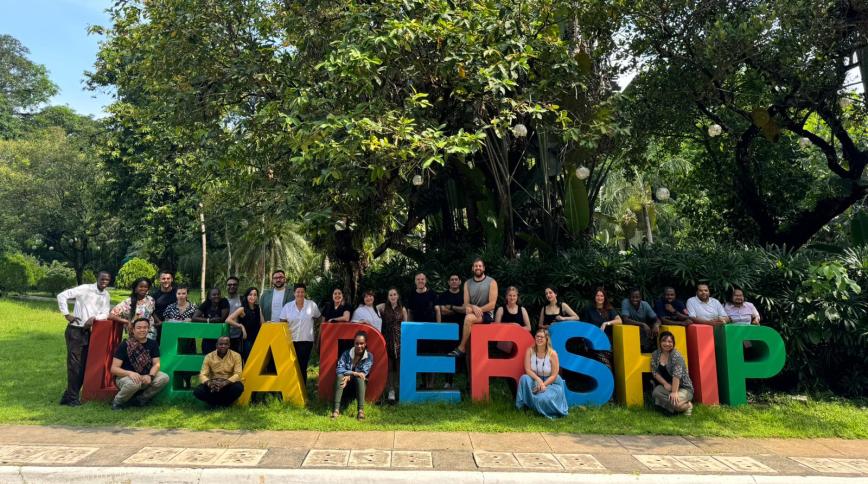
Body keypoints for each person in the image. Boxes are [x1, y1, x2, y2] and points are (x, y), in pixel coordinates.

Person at [55, 271, 112, 406]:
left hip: (89, 332)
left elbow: (105, 313)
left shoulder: (106, 295)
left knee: (84, 365)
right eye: (102, 279)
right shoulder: (85, 289)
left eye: (107, 280)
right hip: (75, 331)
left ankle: (68, 395)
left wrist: (94, 318)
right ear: (97, 278)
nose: (104, 281)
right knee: (75, 365)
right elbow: (61, 296)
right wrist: (67, 314)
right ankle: (73, 398)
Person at [110, 318, 169, 410]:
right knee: (134, 384)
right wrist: (130, 373)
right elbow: (114, 369)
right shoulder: (125, 345)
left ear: (148, 329)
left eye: (145, 327)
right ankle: (117, 402)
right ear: (133, 330)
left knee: (164, 377)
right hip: (125, 377)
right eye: (139, 327)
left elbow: (156, 364)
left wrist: (150, 376)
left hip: (145, 376)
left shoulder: (153, 344)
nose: (142, 330)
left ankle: (140, 400)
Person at [449, 258, 498, 357]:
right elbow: (466, 303)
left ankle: (461, 348)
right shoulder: (467, 283)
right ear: (472, 268)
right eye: (476, 266)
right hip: (471, 310)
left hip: (486, 313)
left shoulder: (491, 282)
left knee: (468, 318)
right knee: (467, 309)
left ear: (483, 268)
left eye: (480, 266)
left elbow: (492, 304)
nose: (478, 268)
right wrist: (473, 307)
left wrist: (478, 309)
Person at [515, 328, 568, 419]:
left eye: (542, 337)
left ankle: (542, 409)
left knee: (542, 399)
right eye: (537, 336)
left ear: (547, 339)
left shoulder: (553, 354)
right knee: (524, 378)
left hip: (551, 383)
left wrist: (543, 384)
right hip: (536, 379)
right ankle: (524, 406)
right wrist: (539, 380)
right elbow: (528, 369)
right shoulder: (530, 351)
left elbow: (554, 375)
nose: (539, 338)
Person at [279, 283, 321, 384]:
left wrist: (315, 330)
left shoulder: (312, 305)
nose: (300, 294)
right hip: (290, 341)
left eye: (302, 292)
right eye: (298, 292)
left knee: (302, 365)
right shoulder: (288, 306)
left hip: (306, 340)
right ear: (294, 293)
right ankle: (290, 388)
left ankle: (302, 389)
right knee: (290, 365)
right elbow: (282, 321)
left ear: (305, 293)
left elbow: (319, 318)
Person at [331, 331, 373, 420]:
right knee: (339, 376)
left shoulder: (369, 356)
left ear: (365, 344)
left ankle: (360, 411)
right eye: (356, 343)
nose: (359, 346)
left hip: (359, 386)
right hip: (345, 386)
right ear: (354, 343)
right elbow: (339, 369)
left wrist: (349, 376)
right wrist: (353, 373)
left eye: (361, 343)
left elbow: (363, 373)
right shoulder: (346, 354)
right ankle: (336, 410)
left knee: (360, 378)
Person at [650, 331, 694, 416]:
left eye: (670, 341)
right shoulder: (655, 354)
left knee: (675, 404)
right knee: (656, 392)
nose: (667, 344)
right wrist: (665, 383)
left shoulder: (676, 356)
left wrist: (674, 392)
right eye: (664, 341)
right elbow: (655, 372)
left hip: (684, 388)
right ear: (660, 342)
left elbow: (676, 375)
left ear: (673, 343)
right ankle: (673, 405)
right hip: (669, 386)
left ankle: (688, 405)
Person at [193, 336, 244, 407]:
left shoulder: (236, 356)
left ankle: (225, 404)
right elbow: (203, 374)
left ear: (229, 345)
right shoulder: (209, 356)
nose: (223, 346)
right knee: (198, 391)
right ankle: (215, 403)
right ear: (216, 345)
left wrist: (224, 383)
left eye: (226, 344)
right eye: (221, 344)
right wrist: (209, 383)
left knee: (239, 387)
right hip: (213, 385)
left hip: (228, 384)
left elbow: (238, 374)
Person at [377, 287, 407, 402]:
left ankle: (401, 390)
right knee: (389, 367)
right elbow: (374, 309)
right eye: (390, 295)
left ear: (398, 296)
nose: (393, 297)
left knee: (399, 366)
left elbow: (406, 325)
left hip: (400, 340)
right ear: (388, 297)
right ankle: (391, 390)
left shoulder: (402, 309)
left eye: (394, 294)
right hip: (387, 339)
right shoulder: (383, 307)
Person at [580, 287, 622, 368]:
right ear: (594, 297)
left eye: (602, 296)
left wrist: (606, 323)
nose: (599, 298)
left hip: (607, 344)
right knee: (600, 367)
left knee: (607, 367)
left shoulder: (609, 309)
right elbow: (584, 327)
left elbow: (619, 320)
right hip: (593, 344)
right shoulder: (588, 309)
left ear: (604, 297)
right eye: (597, 295)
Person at [227, 287, 264, 362]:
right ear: (246, 296)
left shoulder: (258, 308)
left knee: (256, 361)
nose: (252, 297)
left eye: (255, 295)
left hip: (257, 338)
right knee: (248, 360)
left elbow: (262, 323)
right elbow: (228, 320)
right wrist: (241, 326)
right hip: (247, 339)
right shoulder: (242, 309)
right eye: (250, 294)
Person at [192, 288, 230, 354]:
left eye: (218, 294)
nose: (217, 296)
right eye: (214, 295)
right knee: (207, 356)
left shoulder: (224, 301)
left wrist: (215, 320)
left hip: (221, 336)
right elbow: (194, 318)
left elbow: (222, 319)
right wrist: (208, 320)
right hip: (208, 336)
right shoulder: (206, 303)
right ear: (209, 297)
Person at [151, 270, 177, 341]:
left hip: (174, 324)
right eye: (163, 278)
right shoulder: (154, 295)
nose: (166, 281)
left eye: (168, 278)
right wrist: (159, 322)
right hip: (159, 325)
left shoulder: (178, 293)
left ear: (172, 279)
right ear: (160, 280)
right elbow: (151, 310)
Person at [226, 276, 243, 351]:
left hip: (238, 336)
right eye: (229, 285)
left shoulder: (242, 299)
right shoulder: (223, 300)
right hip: (225, 335)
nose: (232, 286)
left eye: (234, 284)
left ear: (238, 286)